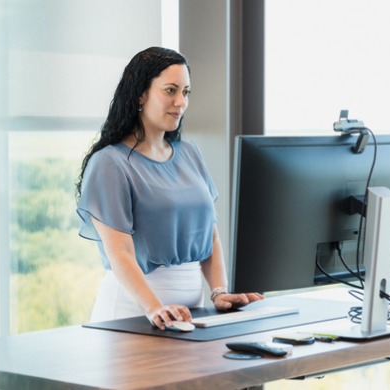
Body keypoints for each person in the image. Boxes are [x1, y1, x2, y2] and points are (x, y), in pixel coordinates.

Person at [76, 46, 264, 331]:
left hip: (189, 315)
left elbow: (209, 234)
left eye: (186, 92)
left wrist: (219, 292)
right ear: (141, 94)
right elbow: (120, 253)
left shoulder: (190, 154)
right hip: (133, 310)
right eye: (170, 90)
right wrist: (154, 307)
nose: (181, 102)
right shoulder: (110, 163)